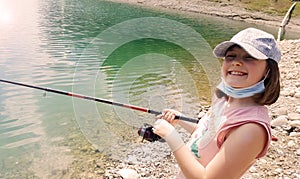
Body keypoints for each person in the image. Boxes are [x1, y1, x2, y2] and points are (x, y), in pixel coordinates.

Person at [152, 27, 281, 179]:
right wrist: (180, 119)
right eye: (230, 56)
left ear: (268, 70)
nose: (237, 63)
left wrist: (171, 136)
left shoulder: (251, 129)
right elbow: (208, 137)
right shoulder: (224, 100)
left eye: (249, 57)